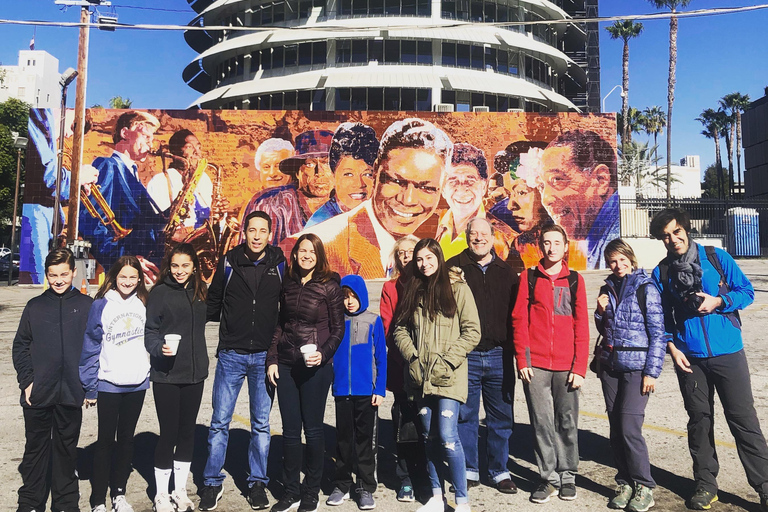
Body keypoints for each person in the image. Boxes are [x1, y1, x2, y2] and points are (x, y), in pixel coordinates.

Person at [649, 208, 768, 512]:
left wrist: (720, 301)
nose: (673, 239)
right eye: (665, 235)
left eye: (676, 232)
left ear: (686, 230)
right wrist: (671, 347)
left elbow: (746, 291)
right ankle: (705, 485)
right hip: (690, 358)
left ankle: (764, 486)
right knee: (699, 422)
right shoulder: (661, 272)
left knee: (743, 421)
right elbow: (660, 318)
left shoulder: (716, 257)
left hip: (728, 352)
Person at [198, 211, 286, 511]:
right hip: (232, 355)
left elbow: (288, 308)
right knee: (219, 422)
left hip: (264, 357)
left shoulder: (280, 264)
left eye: (263, 230)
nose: (257, 236)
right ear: (244, 233)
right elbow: (212, 302)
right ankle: (211, 483)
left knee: (261, 424)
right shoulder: (229, 262)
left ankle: (257, 483)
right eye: (252, 230)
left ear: (270, 234)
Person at [290, 118, 453, 278]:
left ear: (442, 185)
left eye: (426, 188)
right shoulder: (318, 246)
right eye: (396, 181)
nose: (408, 200)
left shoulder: (431, 249)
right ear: (376, 171)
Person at [393, 238, 481, 512]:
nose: (424, 264)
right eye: (419, 259)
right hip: (420, 378)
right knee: (428, 436)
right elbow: (399, 330)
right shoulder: (413, 289)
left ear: (439, 258)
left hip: (449, 377)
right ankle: (435, 496)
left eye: (429, 258)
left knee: (447, 435)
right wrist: (413, 357)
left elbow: (472, 331)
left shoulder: (458, 289)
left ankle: (462, 500)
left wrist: (448, 361)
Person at [511, 224, 589, 504]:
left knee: (566, 422)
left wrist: (579, 367)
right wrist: (523, 359)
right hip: (537, 366)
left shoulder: (575, 281)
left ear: (565, 246)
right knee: (542, 423)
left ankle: (568, 476)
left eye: (557, 242)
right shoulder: (528, 278)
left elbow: (582, 326)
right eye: (547, 242)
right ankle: (548, 478)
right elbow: (519, 320)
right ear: (540, 246)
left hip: (567, 367)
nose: (552, 247)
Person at [267, 234, 345, 512]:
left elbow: (338, 329)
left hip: (316, 368)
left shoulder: (329, 286)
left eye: (312, 251)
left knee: (312, 430)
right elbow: (281, 324)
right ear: (295, 254)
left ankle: (310, 491)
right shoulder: (287, 284)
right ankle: (291, 492)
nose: (306, 255)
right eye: (302, 250)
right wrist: (272, 359)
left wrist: (323, 354)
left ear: (319, 255)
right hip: (287, 364)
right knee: (290, 431)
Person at [12, 248, 93, 512]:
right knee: (35, 449)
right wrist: (27, 381)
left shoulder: (85, 306)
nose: (58, 280)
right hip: (38, 393)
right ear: (47, 275)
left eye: (64, 274)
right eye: (53, 274)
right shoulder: (35, 306)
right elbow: (21, 345)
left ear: (73, 273)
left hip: (71, 392)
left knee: (66, 449)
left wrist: (88, 383)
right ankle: (31, 501)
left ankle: (65, 502)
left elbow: (95, 347)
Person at [447, 217, 519, 494]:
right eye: (473, 234)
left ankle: (499, 471)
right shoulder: (452, 268)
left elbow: (517, 315)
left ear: (492, 237)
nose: (479, 238)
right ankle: (469, 469)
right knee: (466, 416)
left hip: (500, 355)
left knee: (501, 417)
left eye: (484, 234)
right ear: (466, 237)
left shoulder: (506, 271)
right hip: (468, 356)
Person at [594, 239, 666, 512]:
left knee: (629, 427)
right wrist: (600, 312)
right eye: (613, 261)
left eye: (622, 259)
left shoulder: (646, 288)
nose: (618, 265)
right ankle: (624, 482)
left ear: (631, 259)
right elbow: (604, 328)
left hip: (637, 366)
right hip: (611, 366)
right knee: (615, 427)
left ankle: (644, 485)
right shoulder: (607, 287)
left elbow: (658, 333)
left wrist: (652, 372)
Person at [80, 255, 151, 512]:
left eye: (133, 277)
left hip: (137, 383)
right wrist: (90, 385)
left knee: (127, 440)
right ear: (114, 277)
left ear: (140, 279)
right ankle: (98, 499)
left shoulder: (144, 303)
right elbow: (90, 345)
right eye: (123, 277)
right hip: (108, 383)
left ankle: (118, 494)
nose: (128, 282)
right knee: (105, 441)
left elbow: (152, 339)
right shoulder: (101, 304)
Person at [144, 243, 209, 512]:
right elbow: (149, 332)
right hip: (166, 375)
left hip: (195, 374)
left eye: (185, 265)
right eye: (175, 266)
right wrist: (160, 347)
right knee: (168, 433)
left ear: (194, 265)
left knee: (186, 433)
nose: (180, 271)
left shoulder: (201, 291)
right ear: (168, 267)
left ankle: (179, 490)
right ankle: (161, 493)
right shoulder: (159, 293)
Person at [79, 111, 164, 280]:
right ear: (125, 133)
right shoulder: (107, 165)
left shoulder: (132, 173)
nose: (151, 144)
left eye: (152, 139)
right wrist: (125, 262)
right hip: (122, 272)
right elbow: (91, 224)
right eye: (146, 136)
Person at [326, 274, 386, 511]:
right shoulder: (336, 322)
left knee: (364, 442)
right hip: (342, 391)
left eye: (353, 296)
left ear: (362, 295)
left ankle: (365, 486)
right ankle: (341, 483)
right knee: (343, 440)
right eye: (344, 297)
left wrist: (379, 388)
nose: (349, 301)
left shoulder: (373, 321)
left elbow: (381, 358)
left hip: (366, 393)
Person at [379, 234, 426, 502]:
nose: (406, 257)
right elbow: (387, 328)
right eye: (401, 253)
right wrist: (405, 357)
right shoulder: (390, 288)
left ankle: (428, 476)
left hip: (430, 367)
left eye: (411, 252)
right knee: (403, 424)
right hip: (401, 365)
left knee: (428, 422)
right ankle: (406, 478)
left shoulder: (429, 285)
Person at [538, 130, 619, 270]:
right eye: (541, 186)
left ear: (601, 180)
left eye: (557, 179)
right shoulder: (599, 238)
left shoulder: (612, 240)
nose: (546, 199)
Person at [240, 131, 333, 245]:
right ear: (297, 172)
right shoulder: (268, 203)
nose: (320, 173)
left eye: (327, 163)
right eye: (309, 164)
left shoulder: (346, 206)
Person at [435, 143, 519, 264]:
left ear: (484, 187)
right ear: (442, 189)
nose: (462, 189)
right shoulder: (442, 223)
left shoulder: (505, 240)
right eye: (453, 181)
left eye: (470, 181)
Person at [305, 123, 379, 228]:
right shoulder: (319, 226)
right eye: (348, 174)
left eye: (367, 174)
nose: (359, 184)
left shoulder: (385, 216)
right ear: (333, 176)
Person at [146, 129, 214, 232]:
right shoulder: (160, 181)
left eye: (199, 147)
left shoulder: (204, 179)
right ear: (176, 152)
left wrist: (218, 214)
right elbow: (154, 225)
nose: (197, 152)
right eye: (189, 147)